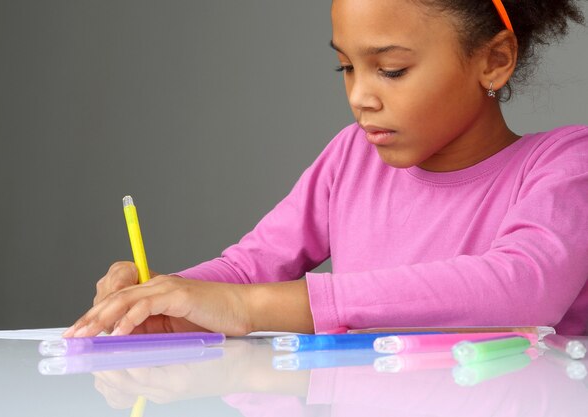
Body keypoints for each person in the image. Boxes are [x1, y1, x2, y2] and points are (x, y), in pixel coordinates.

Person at [64, 0, 588, 338]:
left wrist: (248, 307)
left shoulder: (566, 165)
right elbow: (249, 271)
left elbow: (523, 287)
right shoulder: (351, 157)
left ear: (494, 59)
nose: (360, 96)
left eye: (391, 70)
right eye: (346, 67)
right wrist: (162, 296)